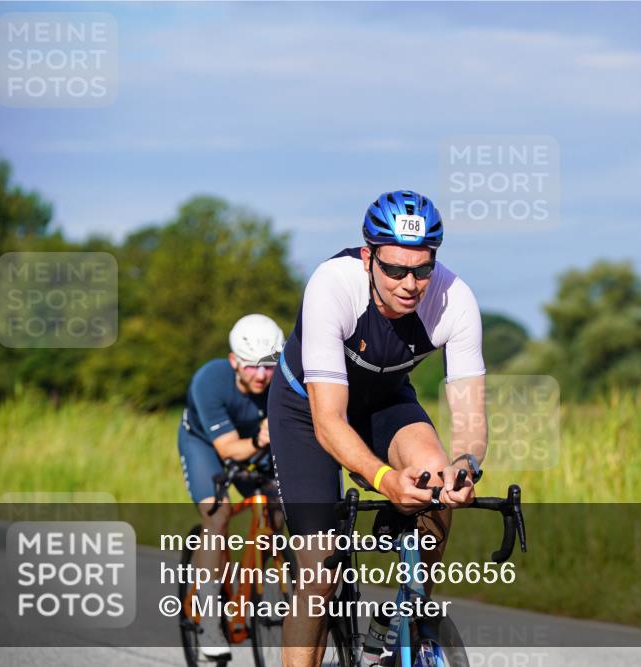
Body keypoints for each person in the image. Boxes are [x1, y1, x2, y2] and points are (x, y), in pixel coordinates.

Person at [268, 190, 488, 667]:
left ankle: (403, 626)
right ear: (368, 258)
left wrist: (466, 465)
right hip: (307, 409)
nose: (410, 284)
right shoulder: (332, 285)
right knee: (319, 571)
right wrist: (385, 480)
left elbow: (471, 415)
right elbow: (329, 421)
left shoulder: (455, 299)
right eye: (394, 270)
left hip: (385, 400)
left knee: (435, 477)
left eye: (422, 270)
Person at [178, 313, 284, 660]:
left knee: (279, 509)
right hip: (206, 445)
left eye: (269, 366)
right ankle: (210, 619)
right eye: (252, 366)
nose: (261, 375)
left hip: (259, 444)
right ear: (234, 361)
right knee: (218, 514)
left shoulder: (283, 381)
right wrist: (260, 438)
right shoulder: (209, 381)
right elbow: (226, 449)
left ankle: (271, 589)